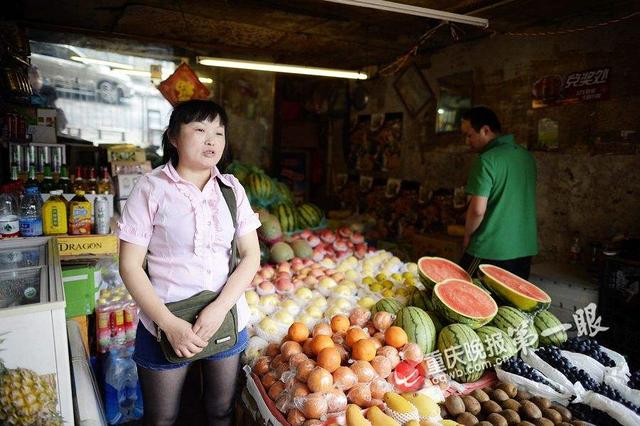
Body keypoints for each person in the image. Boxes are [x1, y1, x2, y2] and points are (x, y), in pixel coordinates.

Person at [117, 99, 261, 425]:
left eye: (218, 132)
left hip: (224, 319)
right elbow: (129, 265)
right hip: (164, 323)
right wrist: (169, 325)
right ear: (173, 137)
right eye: (199, 130)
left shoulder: (231, 189)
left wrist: (219, 309)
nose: (211, 140)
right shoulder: (150, 188)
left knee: (220, 412)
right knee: (162, 419)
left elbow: (251, 255)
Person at [459, 106, 538, 279]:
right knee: (511, 304)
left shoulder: (486, 160)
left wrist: (467, 236)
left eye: (469, 134)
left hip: (490, 249)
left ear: (485, 130)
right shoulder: (526, 157)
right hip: (524, 248)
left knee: (463, 294)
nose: (467, 141)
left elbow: (478, 210)